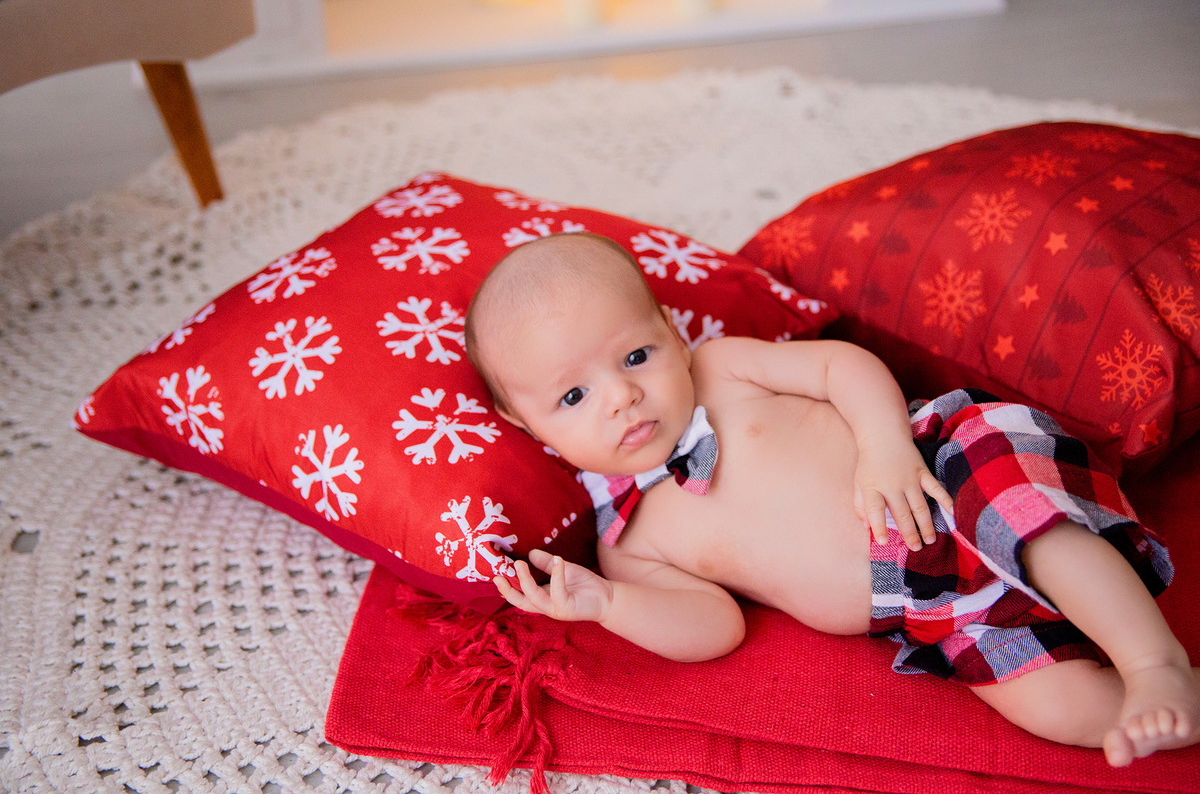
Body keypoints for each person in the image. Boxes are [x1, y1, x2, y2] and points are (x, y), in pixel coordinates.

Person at [462, 231, 1199, 767]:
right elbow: (714, 626)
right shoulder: (626, 539)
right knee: (1055, 710)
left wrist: (883, 445)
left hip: (943, 473)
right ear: (526, 427)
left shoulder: (720, 369)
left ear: (671, 329)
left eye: (635, 356)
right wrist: (609, 605)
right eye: (573, 394)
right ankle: (1171, 706)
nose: (622, 396)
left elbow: (840, 368)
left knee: (1036, 533)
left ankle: (1151, 663)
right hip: (931, 611)